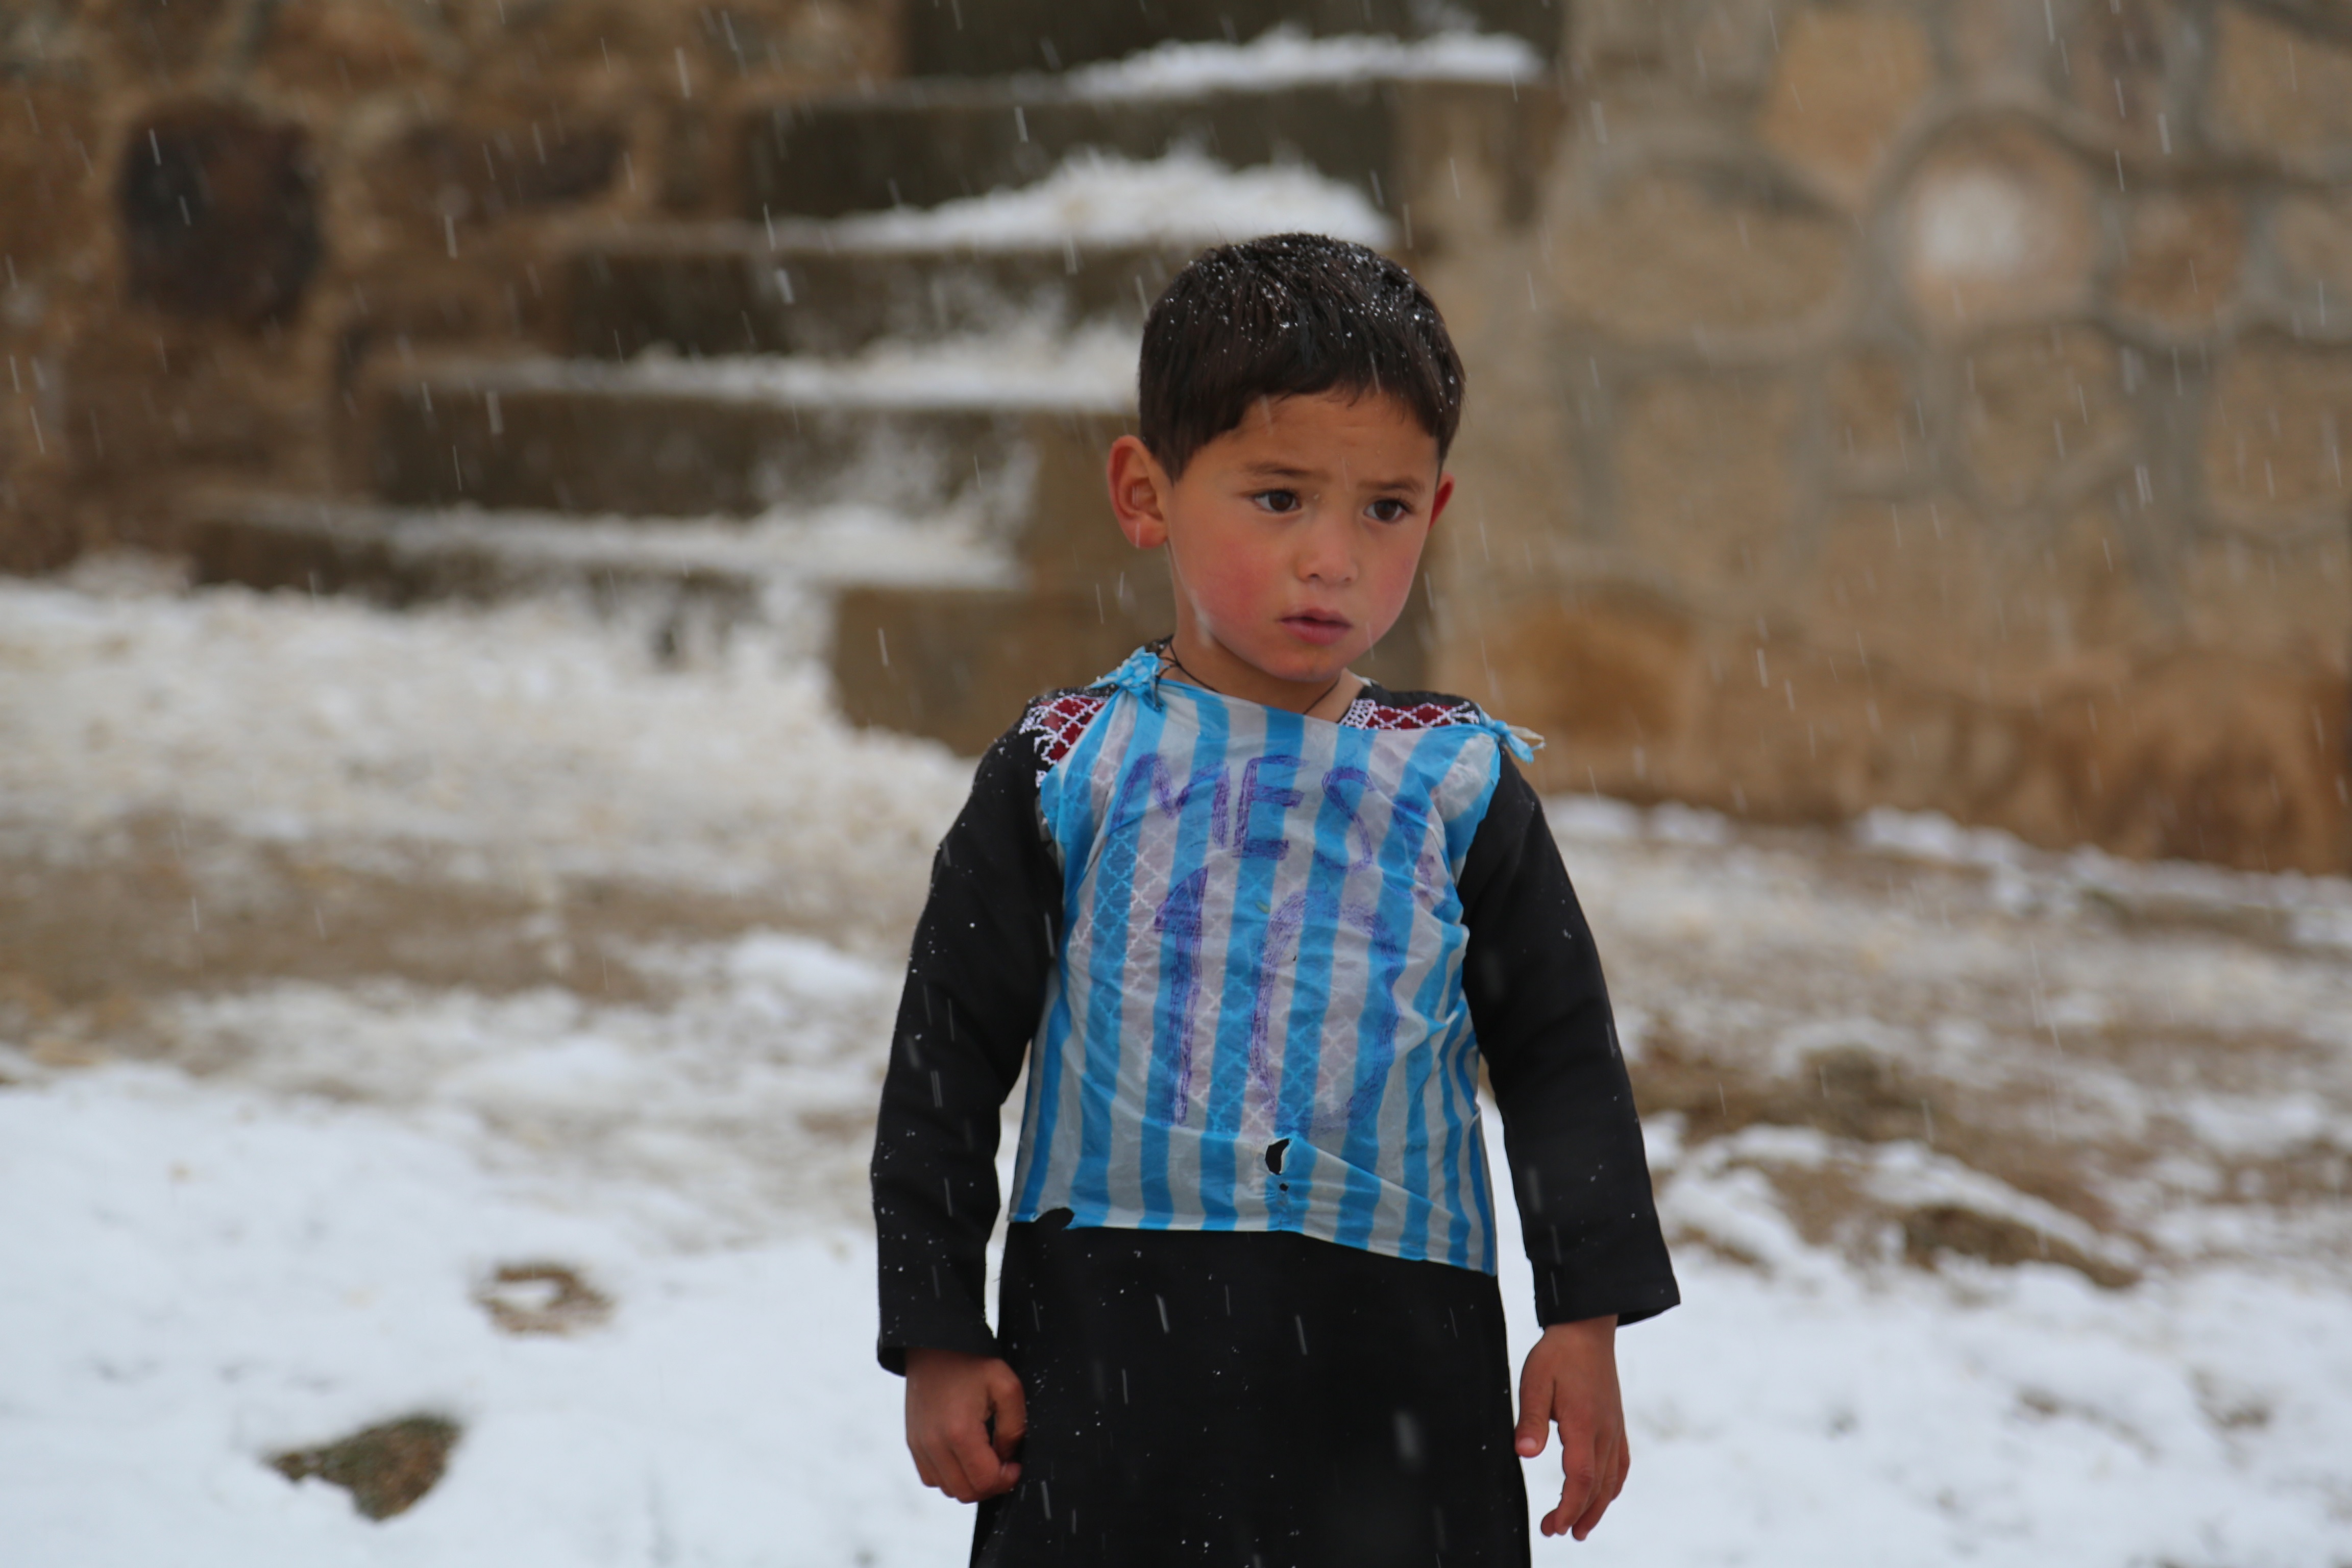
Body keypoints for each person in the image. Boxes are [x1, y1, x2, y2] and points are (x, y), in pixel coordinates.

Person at [870, 233, 1678, 1566]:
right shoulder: (1068, 770)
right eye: (1280, 497)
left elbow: (1559, 1059)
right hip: (1114, 1351)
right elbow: (946, 1063)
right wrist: (941, 1329)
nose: (1333, 560)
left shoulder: (1458, 789)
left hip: (1398, 1360)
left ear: (1439, 508)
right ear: (1147, 492)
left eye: (1385, 509)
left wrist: (1584, 1318)